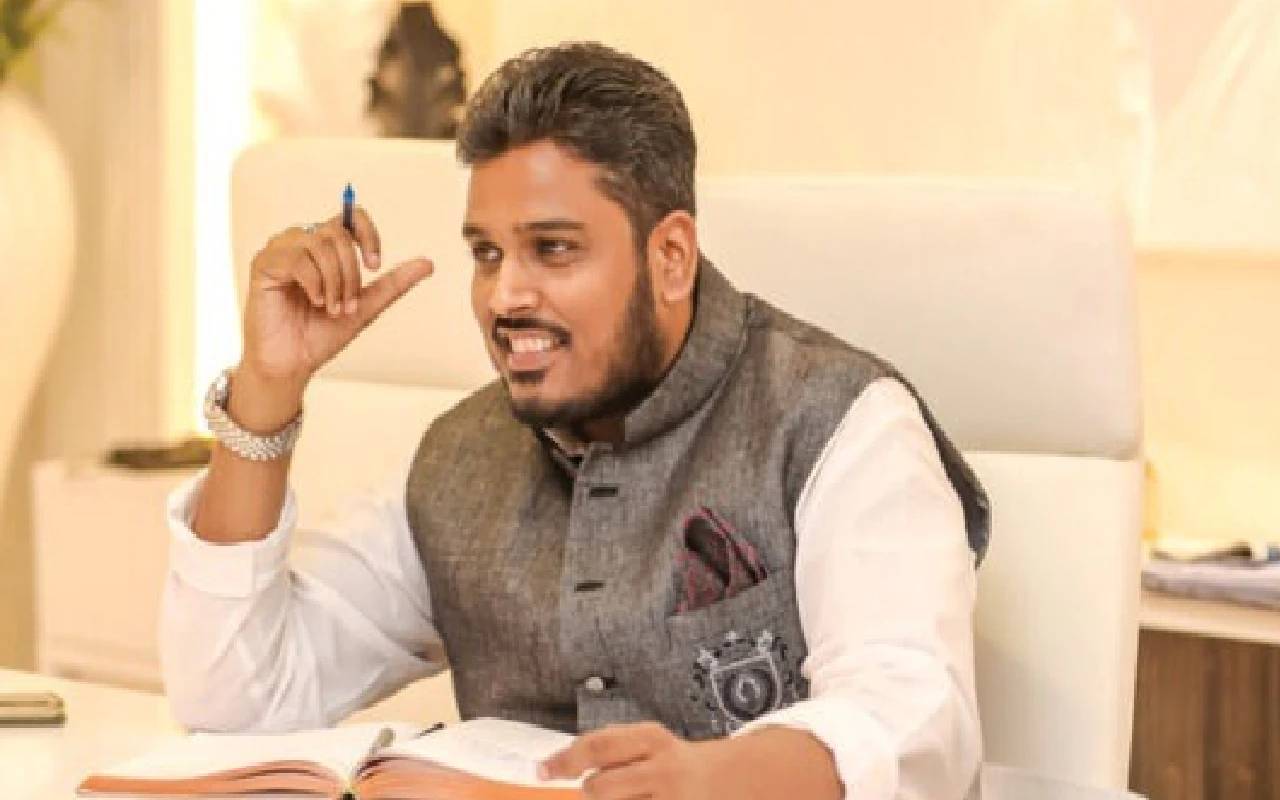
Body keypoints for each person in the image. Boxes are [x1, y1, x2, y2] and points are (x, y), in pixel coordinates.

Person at [161, 42, 990, 800]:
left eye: (552, 249)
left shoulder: (838, 420)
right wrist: (267, 385)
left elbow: (914, 722)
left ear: (670, 257)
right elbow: (237, 701)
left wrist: (711, 780)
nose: (504, 295)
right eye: (487, 254)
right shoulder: (460, 460)